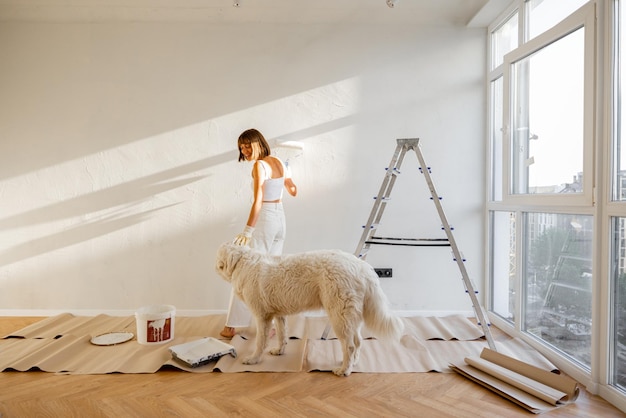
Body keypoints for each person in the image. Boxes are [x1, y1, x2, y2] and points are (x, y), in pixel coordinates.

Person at [220, 128, 297, 339]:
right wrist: (289, 179)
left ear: (258, 143)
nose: (244, 151)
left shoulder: (259, 165)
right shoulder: (280, 162)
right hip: (280, 219)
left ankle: (231, 326)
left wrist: (248, 230)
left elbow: (258, 201)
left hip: (266, 219)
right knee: (270, 273)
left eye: (247, 146)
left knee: (245, 273)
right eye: (241, 147)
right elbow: (293, 189)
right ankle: (270, 326)